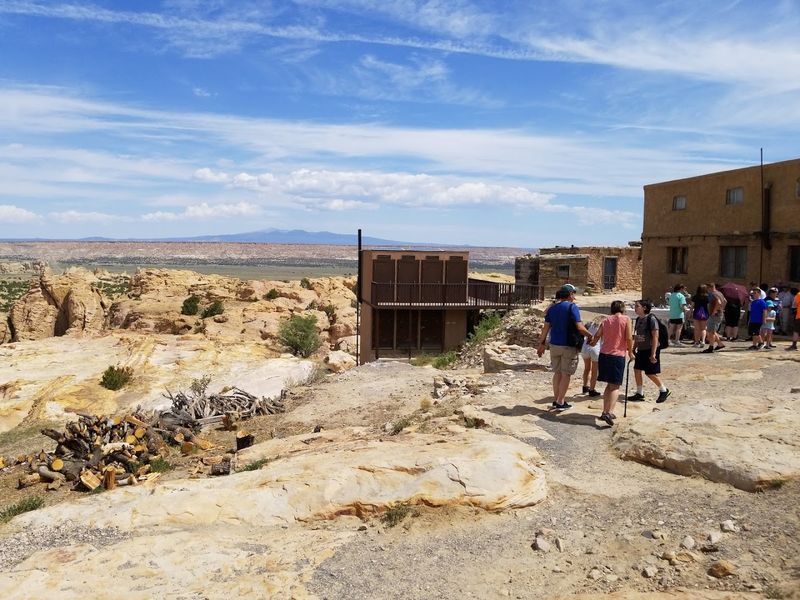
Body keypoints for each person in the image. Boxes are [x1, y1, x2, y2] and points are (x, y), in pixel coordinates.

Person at [537, 284, 592, 411]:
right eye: (573, 294)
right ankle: (561, 402)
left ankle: (556, 400)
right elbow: (580, 327)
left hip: (554, 345)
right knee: (566, 374)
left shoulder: (552, 308)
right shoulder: (572, 307)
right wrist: (590, 336)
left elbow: (545, 328)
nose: (574, 296)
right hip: (568, 345)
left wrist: (541, 344)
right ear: (570, 295)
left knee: (557, 373)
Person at [589, 300, 634, 426]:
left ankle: (604, 411)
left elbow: (597, 335)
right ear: (622, 309)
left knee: (609, 385)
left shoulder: (606, 320)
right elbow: (629, 337)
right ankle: (610, 412)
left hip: (604, 354)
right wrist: (630, 352)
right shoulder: (626, 319)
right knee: (615, 386)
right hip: (617, 355)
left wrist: (593, 343)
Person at [627, 299, 671, 403]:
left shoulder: (651, 319)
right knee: (637, 369)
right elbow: (638, 336)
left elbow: (655, 337)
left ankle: (663, 390)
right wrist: (633, 348)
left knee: (650, 372)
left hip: (650, 349)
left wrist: (653, 353)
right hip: (641, 349)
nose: (635, 308)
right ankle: (640, 393)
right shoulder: (638, 319)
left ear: (644, 308)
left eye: (637, 306)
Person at [580, 316, 603, 397]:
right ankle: (592, 389)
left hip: (585, 347)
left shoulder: (589, 324)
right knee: (594, 371)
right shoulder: (602, 326)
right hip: (595, 348)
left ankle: (585, 386)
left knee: (587, 368)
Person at [702, 283, 727, 353]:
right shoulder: (720, 293)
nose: (707, 290)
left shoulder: (712, 294)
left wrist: (714, 311)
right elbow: (725, 301)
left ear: (710, 288)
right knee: (712, 330)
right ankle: (720, 344)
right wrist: (721, 309)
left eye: (707, 288)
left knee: (711, 332)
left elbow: (719, 302)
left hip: (715, 315)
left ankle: (711, 347)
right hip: (719, 314)